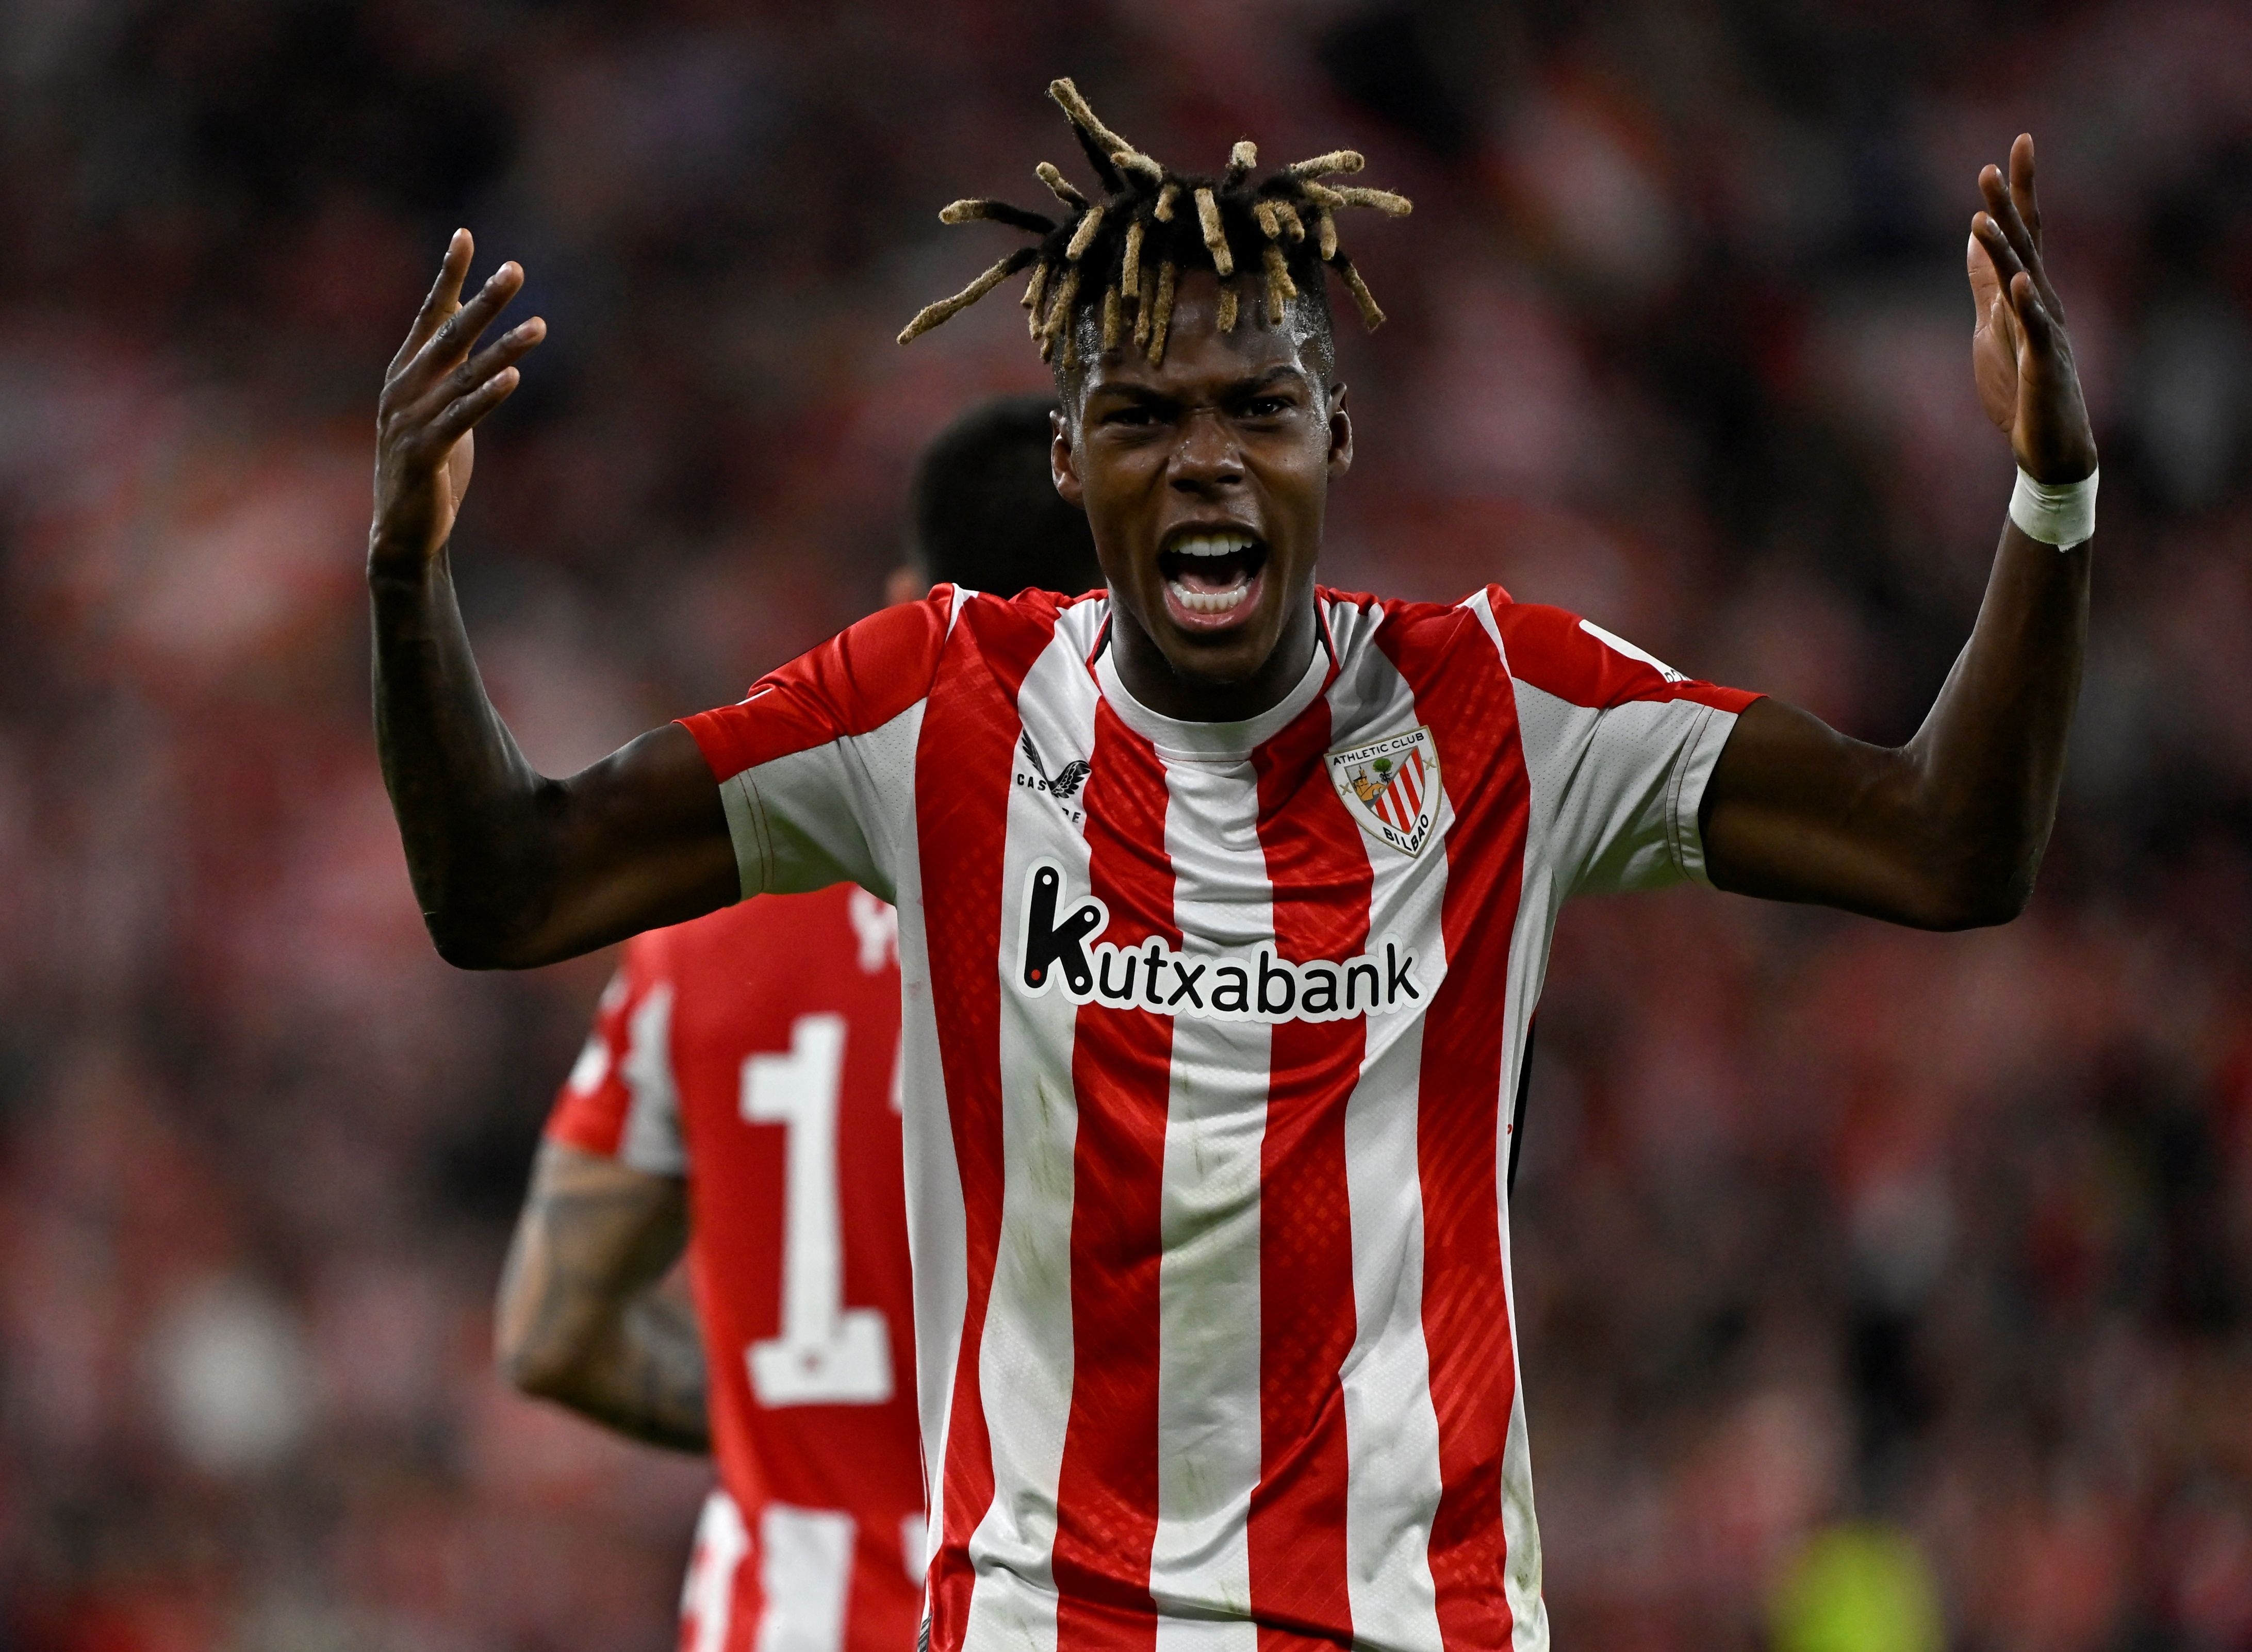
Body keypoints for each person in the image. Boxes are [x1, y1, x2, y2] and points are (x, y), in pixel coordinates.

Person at [367, 78, 2094, 1652]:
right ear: (1069, 461)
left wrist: (2048, 500)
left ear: (1335, 438)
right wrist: (407, 576)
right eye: (1144, 414)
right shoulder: (936, 709)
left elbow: (1948, 842)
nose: (1207, 455)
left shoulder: (1503, 705)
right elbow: (506, 888)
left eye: (1261, 404)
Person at [490, 397, 1101, 1652]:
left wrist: (805, 1429)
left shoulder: (708, 922)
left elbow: (555, 1334)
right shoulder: (1191, 934)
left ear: (905, 605)